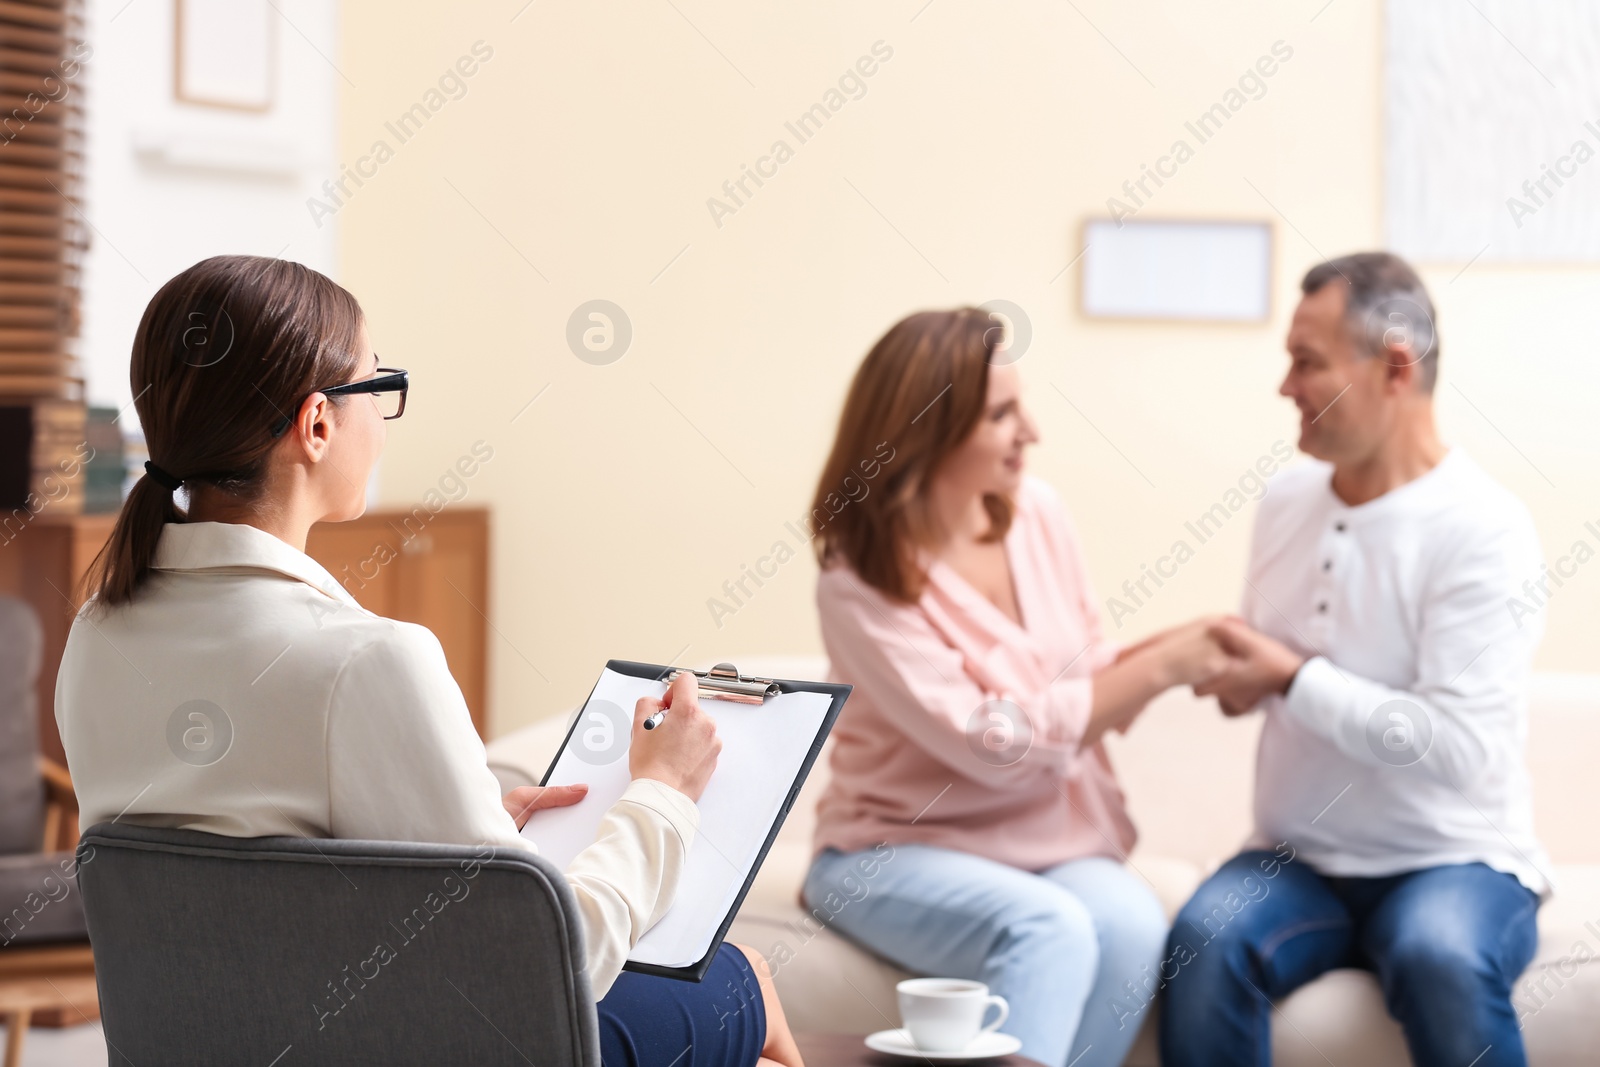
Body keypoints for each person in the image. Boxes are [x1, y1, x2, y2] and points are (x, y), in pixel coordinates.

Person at [55, 255, 802, 1067]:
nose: (384, 416)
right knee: (745, 980)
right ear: (316, 424)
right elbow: (559, 964)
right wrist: (664, 792)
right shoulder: (368, 660)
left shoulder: (96, 637)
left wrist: (447, 845)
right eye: (378, 387)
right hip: (408, 1045)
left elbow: (255, 897)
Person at [800, 308, 1231, 1067]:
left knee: (1130, 922)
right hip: (893, 848)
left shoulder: (1038, 515)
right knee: (1051, 927)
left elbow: (1086, 671)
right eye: (1001, 414)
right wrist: (1163, 666)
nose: (1031, 430)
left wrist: (1194, 647)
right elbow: (995, 740)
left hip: (1047, 840)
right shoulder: (857, 583)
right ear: (926, 431)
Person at [1161, 253, 1549, 1067]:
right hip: (1297, 857)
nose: (1284, 386)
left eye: (1306, 361)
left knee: (1439, 954)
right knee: (1203, 940)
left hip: (1455, 860)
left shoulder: (1484, 529)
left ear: (1394, 367)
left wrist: (1289, 677)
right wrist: (1243, 682)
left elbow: (1460, 748)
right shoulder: (1284, 502)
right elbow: (1276, 676)